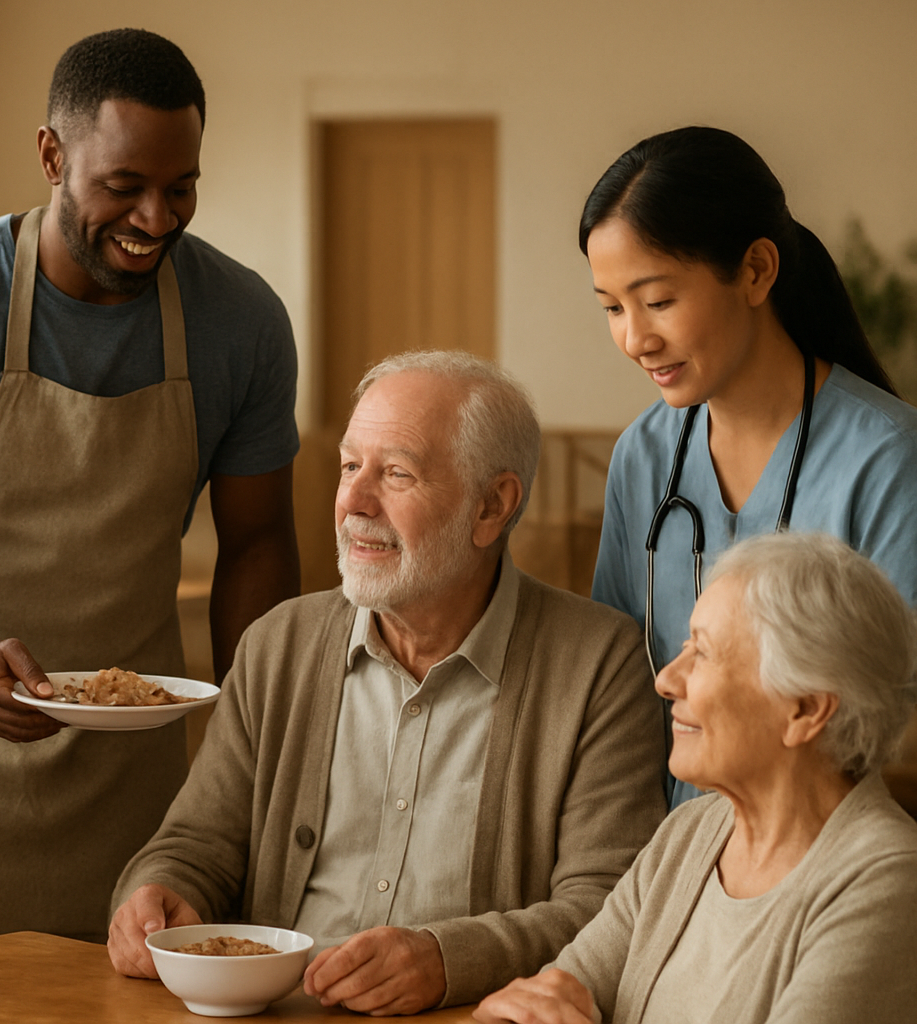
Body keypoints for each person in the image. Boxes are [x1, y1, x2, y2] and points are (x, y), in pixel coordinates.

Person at [0, 28, 301, 944]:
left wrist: (251, 745)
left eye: (181, 188)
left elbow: (257, 547)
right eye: (123, 187)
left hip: (135, 781)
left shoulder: (240, 323)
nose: (156, 218)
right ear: (51, 155)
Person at [108, 352, 668, 1015]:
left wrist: (447, 958)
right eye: (350, 467)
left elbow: (610, 906)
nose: (354, 501)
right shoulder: (278, 644)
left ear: (493, 506)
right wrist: (161, 890)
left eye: (396, 473)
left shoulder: (599, 665)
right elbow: (198, 843)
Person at [580, 126, 917, 807]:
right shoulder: (642, 457)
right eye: (613, 308)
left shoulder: (885, 459)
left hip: (822, 855)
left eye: (658, 301)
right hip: (664, 856)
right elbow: (613, 685)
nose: (635, 338)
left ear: (757, 270)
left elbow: (900, 724)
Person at [475, 533, 917, 1024]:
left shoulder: (888, 884)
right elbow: (542, 1004)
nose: (666, 679)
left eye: (702, 653)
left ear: (804, 710)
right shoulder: (690, 833)